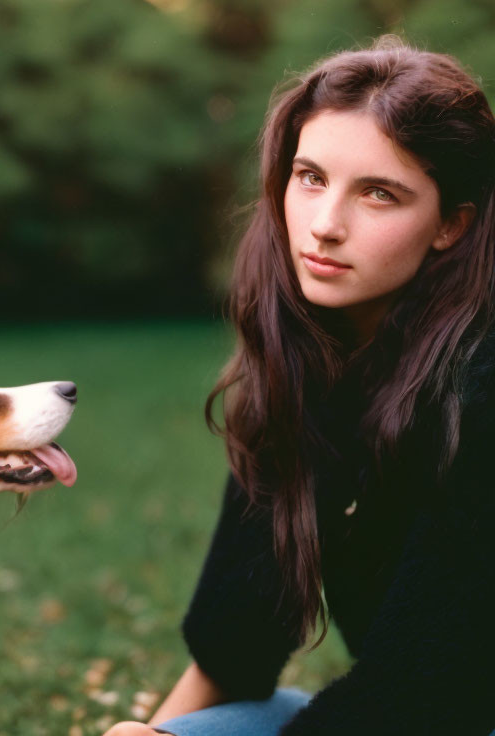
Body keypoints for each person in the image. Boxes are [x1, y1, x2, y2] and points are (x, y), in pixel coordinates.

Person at [103, 35, 495, 736]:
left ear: (451, 225)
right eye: (310, 177)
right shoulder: (303, 372)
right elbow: (236, 649)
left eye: (380, 194)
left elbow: (429, 691)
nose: (324, 225)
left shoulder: (481, 390)